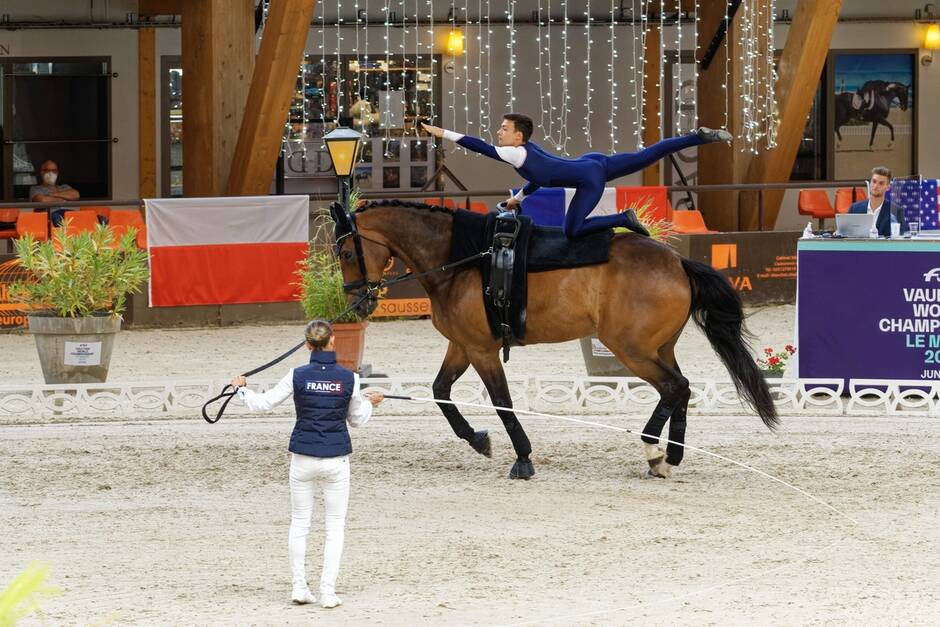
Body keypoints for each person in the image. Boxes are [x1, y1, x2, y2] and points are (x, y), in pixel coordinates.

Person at [231, 320, 384, 609]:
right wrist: (369, 404)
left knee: (300, 523)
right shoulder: (349, 378)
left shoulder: (296, 374)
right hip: (336, 459)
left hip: (302, 458)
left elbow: (262, 404)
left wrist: (241, 390)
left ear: (307, 345)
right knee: (334, 526)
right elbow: (357, 419)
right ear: (333, 341)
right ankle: (327, 591)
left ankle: (300, 586)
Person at [421, 114, 731, 238]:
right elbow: (540, 178)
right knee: (648, 155)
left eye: (504, 129)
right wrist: (518, 199)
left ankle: (623, 219)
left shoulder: (513, 153)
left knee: (572, 230)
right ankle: (699, 137)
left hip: (589, 179)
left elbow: (479, 147)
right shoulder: (527, 151)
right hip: (591, 163)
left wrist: (442, 132)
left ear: (518, 137)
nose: (498, 132)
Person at [848, 166, 906, 237]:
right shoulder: (855, 208)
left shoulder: (896, 210)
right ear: (870, 183)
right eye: (874, 181)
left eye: (881, 183)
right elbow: (846, 233)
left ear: (888, 187)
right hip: (859, 247)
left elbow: (901, 236)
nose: (875, 186)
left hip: (885, 247)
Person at [28, 160, 80, 227]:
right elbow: (42, 201)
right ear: (41, 172)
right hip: (50, 218)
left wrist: (52, 194)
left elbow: (76, 195)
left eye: (54, 170)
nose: (51, 173)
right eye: (47, 170)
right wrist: (64, 198)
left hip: (70, 215)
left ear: (57, 173)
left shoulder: (64, 187)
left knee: (81, 217)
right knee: (57, 216)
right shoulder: (35, 189)